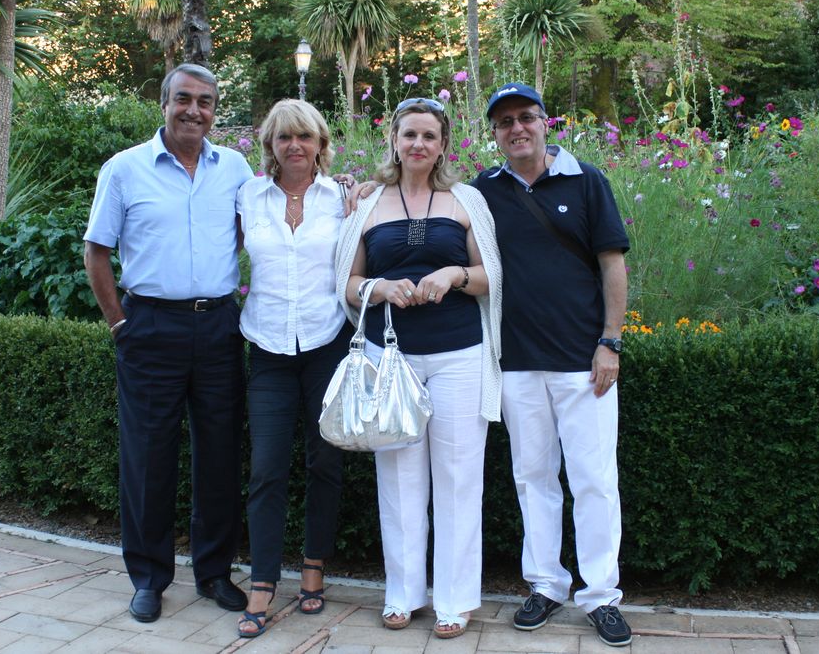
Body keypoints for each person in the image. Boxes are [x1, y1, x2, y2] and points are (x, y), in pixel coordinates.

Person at [84, 63, 251, 624]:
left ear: (214, 110)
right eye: (184, 99)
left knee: (220, 455)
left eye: (205, 101)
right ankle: (149, 578)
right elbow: (97, 252)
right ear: (164, 103)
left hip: (219, 326)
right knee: (148, 458)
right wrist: (119, 324)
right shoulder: (124, 169)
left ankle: (214, 572)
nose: (193, 111)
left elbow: (256, 229)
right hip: (150, 328)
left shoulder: (235, 168)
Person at [334, 98, 503, 639]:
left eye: (429, 136)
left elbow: (491, 277)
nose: (418, 144)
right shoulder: (367, 202)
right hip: (390, 359)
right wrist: (379, 287)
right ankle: (403, 594)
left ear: (443, 144)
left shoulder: (465, 200)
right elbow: (346, 282)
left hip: (459, 355)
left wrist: (454, 274)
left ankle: (455, 599)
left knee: (458, 478)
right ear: (394, 139)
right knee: (399, 480)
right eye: (409, 134)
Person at [472, 83, 632, 647]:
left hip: (583, 362)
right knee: (533, 479)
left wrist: (611, 341)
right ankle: (545, 584)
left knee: (594, 481)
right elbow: (429, 199)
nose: (516, 128)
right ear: (495, 133)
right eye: (505, 122)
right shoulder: (483, 190)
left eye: (526, 117)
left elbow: (612, 264)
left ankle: (601, 595)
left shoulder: (586, 180)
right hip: (516, 362)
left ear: (546, 123)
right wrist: (366, 186)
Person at [235, 99, 353, 638]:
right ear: (270, 146)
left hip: (327, 343)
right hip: (268, 348)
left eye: (304, 136)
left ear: (320, 144)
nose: (294, 146)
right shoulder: (248, 196)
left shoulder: (343, 199)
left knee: (325, 461)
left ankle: (313, 565)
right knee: (266, 467)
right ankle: (262, 579)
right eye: (284, 137)